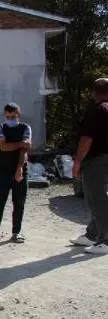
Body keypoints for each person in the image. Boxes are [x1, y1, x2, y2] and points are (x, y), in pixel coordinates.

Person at [70, 78, 108, 254]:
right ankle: (92, 234)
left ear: (95, 92)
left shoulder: (98, 110)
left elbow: (86, 140)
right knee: (101, 198)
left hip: (97, 160)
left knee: (97, 199)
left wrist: (77, 162)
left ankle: (106, 240)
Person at [0, 103, 32, 244]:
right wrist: (20, 144)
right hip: (2, 172)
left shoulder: (25, 127)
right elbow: (3, 147)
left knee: (19, 203)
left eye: (13, 116)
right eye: (8, 116)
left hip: (20, 170)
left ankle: (17, 232)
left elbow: (26, 148)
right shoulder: (0, 127)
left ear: (18, 114)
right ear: (5, 115)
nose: (11, 119)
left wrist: (20, 168)